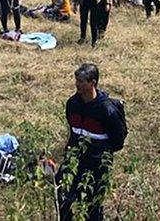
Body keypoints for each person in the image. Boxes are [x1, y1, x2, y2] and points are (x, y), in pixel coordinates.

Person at [57, 63, 126, 221]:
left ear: (92, 83)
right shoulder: (72, 104)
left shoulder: (107, 110)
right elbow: (72, 131)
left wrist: (100, 154)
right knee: (62, 196)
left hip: (97, 165)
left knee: (92, 206)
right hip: (73, 161)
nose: (77, 85)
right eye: (76, 80)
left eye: (81, 81)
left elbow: (118, 141)